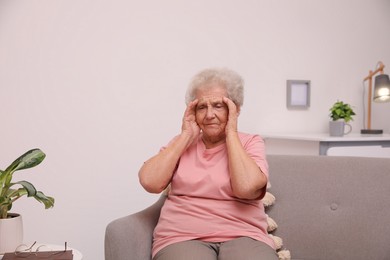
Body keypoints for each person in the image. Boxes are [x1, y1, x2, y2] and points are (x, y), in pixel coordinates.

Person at [138, 68, 278, 260]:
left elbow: (246, 188)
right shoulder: (181, 143)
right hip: (181, 236)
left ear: (235, 108)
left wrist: (231, 133)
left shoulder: (250, 142)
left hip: (244, 235)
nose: (209, 114)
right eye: (201, 107)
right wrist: (186, 136)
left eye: (218, 105)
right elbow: (149, 182)